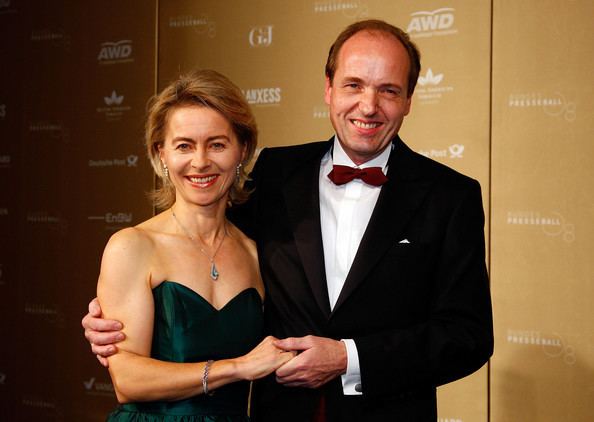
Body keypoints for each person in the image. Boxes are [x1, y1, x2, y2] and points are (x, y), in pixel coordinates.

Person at [84, 20, 494, 421]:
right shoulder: (277, 173)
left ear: (408, 99)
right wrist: (109, 318)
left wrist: (349, 358)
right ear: (329, 89)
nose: (368, 106)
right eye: (353, 85)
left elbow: (468, 337)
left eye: (388, 90)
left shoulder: (450, 196)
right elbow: (198, 254)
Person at [91, 69, 294, 421]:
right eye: (184, 145)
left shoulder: (257, 252)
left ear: (242, 150)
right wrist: (237, 368)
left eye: (217, 144)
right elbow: (127, 380)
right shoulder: (133, 246)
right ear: (162, 154)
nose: (200, 162)